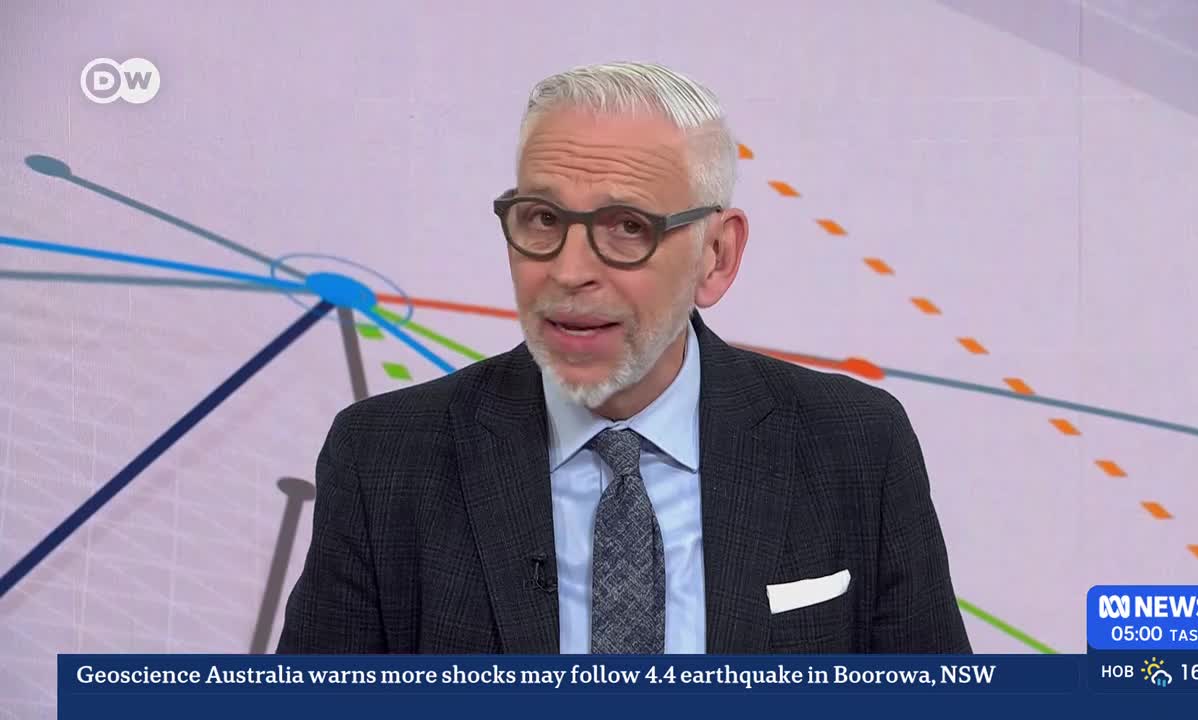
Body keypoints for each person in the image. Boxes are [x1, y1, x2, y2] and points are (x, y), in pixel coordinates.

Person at [277, 61, 970, 655]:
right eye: (543, 219)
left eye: (627, 227)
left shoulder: (855, 445)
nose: (569, 271)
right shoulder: (386, 458)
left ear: (717, 257)